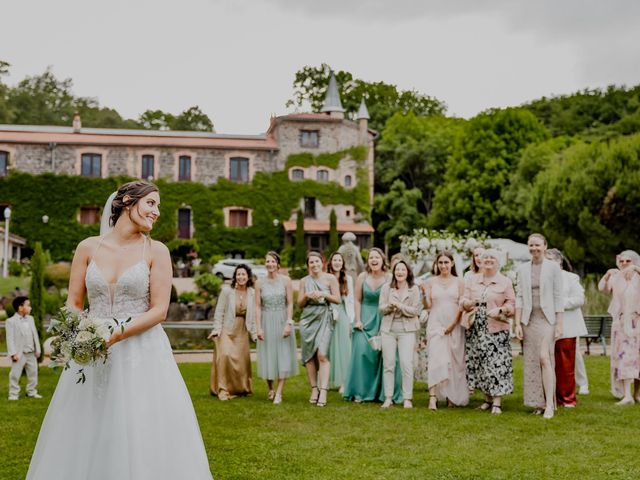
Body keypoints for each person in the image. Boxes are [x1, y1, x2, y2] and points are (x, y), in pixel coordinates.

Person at [27, 181, 212, 479]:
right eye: (151, 203)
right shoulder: (87, 247)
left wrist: (115, 334)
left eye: (159, 206)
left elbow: (159, 310)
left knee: (140, 427)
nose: (157, 212)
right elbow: (73, 302)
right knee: (85, 424)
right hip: (92, 353)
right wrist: (79, 334)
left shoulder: (157, 251)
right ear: (127, 200)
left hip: (142, 351)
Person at [514, 233, 564, 419]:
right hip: (529, 319)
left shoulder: (553, 268)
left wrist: (559, 323)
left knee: (544, 357)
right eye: (531, 245)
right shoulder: (522, 269)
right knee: (533, 362)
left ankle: (550, 404)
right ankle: (538, 403)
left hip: (548, 319)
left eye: (537, 245)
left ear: (545, 246)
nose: (534, 248)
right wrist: (518, 323)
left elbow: (558, 297)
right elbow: (519, 296)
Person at [343, 248, 402, 403]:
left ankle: (384, 394)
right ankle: (360, 392)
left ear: (383, 260)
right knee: (361, 353)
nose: (374, 260)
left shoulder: (390, 277)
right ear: (368, 261)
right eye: (371, 258)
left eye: (377, 257)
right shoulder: (362, 277)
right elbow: (357, 299)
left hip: (384, 318)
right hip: (364, 319)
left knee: (386, 357)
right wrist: (357, 319)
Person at [461, 249, 515, 416]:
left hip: (496, 329)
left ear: (497, 262)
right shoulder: (472, 281)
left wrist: (502, 309)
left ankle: (497, 402)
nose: (488, 260)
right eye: (485, 258)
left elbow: (512, 303)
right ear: (480, 262)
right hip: (476, 329)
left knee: (496, 365)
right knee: (481, 364)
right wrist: (469, 303)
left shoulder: (505, 281)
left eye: (492, 258)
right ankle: (487, 399)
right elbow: (462, 300)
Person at [422, 252, 468, 410]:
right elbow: (428, 306)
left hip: (454, 323)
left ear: (452, 264)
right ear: (436, 264)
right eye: (440, 262)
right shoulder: (429, 281)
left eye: (446, 262)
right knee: (435, 359)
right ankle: (433, 397)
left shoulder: (460, 282)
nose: (443, 266)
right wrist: (424, 295)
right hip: (435, 323)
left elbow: (462, 306)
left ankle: (451, 395)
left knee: (454, 361)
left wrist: (453, 324)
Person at [545, 249, 588, 408]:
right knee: (547, 362)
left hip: (567, 327)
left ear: (559, 261)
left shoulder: (570, 277)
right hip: (545, 326)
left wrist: (558, 304)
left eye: (551, 259)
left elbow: (579, 299)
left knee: (566, 365)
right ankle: (550, 397)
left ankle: (567, 399)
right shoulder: (540, 278)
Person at [208, 264, 257, 400]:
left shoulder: (253, 292)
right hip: (227, 328)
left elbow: (254, 315)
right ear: (235, 276)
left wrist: (255, 333)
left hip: (243, 330)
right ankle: (223, 389)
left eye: (244, 274)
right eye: (238, 274)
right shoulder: (226, 291)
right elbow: (219, 312)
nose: (241, 277)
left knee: (242, 361)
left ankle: (241, 388)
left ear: (248, 277)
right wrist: (217, 329)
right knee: (224, 355)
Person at [298, 252, 341, 407]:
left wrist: (323, 293)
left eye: (317, 261)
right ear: (308, 264)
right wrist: (307, 296)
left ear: (322, 262)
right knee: (309, 357)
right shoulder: (304, 281)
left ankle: (324, 390)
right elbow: (299, 304)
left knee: (322, 355)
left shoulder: (331, 278)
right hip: (307, 320)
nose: (314, 265)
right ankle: (314, 389)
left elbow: (337, 299)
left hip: (324, 317)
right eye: (311, 262)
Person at [255, 251, 297, 404]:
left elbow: (290, 303)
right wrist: (258, 328)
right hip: (266, 320)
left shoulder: (286, 281)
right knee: (268, 355)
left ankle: (279, 392)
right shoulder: (259, 282)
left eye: (273, 261)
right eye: (267, 261)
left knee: (283, 356)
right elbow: (258, 307)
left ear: (278, 265)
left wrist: (288, 323)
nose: (270, 264)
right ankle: (270, 388)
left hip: (282, 320)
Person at [598, 250, 640, 405]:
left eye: (628, 261)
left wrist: (635, 269)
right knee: (625, 356)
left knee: (637, 359)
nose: (624, 264)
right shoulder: (616, 277)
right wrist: (608, 274)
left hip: (637, 321)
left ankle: (636, 394)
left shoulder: (637, 277)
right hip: (621, 323)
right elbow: (602, 288)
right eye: (621, 261)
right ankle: (627, 395)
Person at [379, 259, 422, 409]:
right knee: (389, 364)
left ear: (408, 272)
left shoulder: (414, 289)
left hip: (407, 330)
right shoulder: (386, 288)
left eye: (403, 270)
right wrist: (390, 307)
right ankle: (388, 397)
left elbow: (415, 311)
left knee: (406, 364)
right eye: (397, 270)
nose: (400, 272)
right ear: (393, 272)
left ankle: (407, 398)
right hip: (388, 330)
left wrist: (400, 306)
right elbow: (381, 308)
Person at [326, 252, 355, 393]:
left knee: (345, 348)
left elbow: (351, 300)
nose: (337, 262)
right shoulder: (325, 278)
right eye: (335, 260)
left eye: (339, 260)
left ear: (343, 263)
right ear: (330, 262)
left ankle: (345, 381)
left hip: (343, 314)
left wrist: (351, 321)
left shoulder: (348, 279)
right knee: (329, 348)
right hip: (327, 314)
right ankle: (327, 380)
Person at [7, 296, 41, 401]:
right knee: (15, 374)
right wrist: (13, 353)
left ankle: (31, 391)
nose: (30, 307)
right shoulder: (11, 321)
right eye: (28, 305)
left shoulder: (31, 319)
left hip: (31, 352)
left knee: (33, 373)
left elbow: (34, 335)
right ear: (20, 307)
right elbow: (10, 338)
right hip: (19, 353)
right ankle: (13, 393)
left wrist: (38, 349)